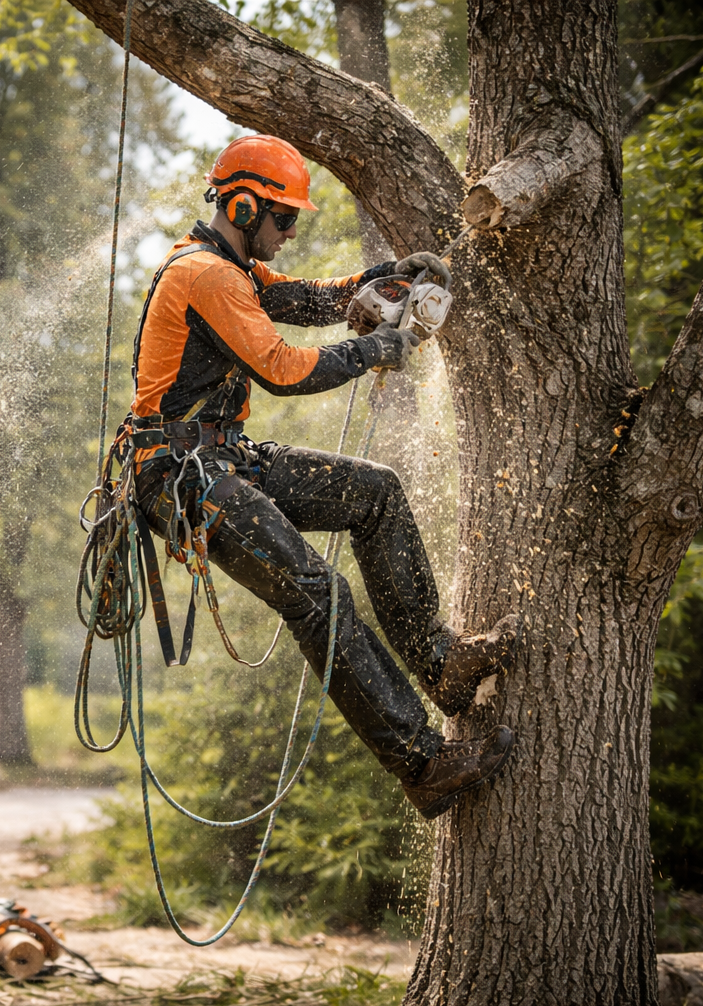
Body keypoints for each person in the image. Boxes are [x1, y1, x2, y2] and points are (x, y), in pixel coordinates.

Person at [128, 134, 515, 819]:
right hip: (178, 475)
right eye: (285, 218)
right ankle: (422, 762)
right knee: (317, 593)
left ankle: (441, 665)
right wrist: (376, 347)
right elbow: (282, 369)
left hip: (221, 458)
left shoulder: (234, 270)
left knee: (374, 492)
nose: (291, 230)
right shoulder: (206, 275)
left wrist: (381, 279)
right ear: (244, 206)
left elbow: (302, 298)